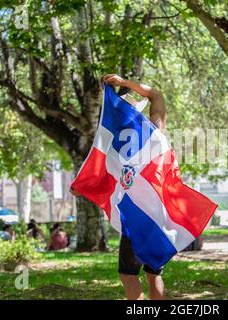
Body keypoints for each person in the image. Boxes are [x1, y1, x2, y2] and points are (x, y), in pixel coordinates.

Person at [70, 74, 166, 300]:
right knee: (154, 273)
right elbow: (156, 94)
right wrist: (123, 82)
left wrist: (82, 186)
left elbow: (95, 181)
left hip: (137, 216)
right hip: (161, 214)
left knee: (128, 274)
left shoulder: (116, 146)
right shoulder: (157, 132)